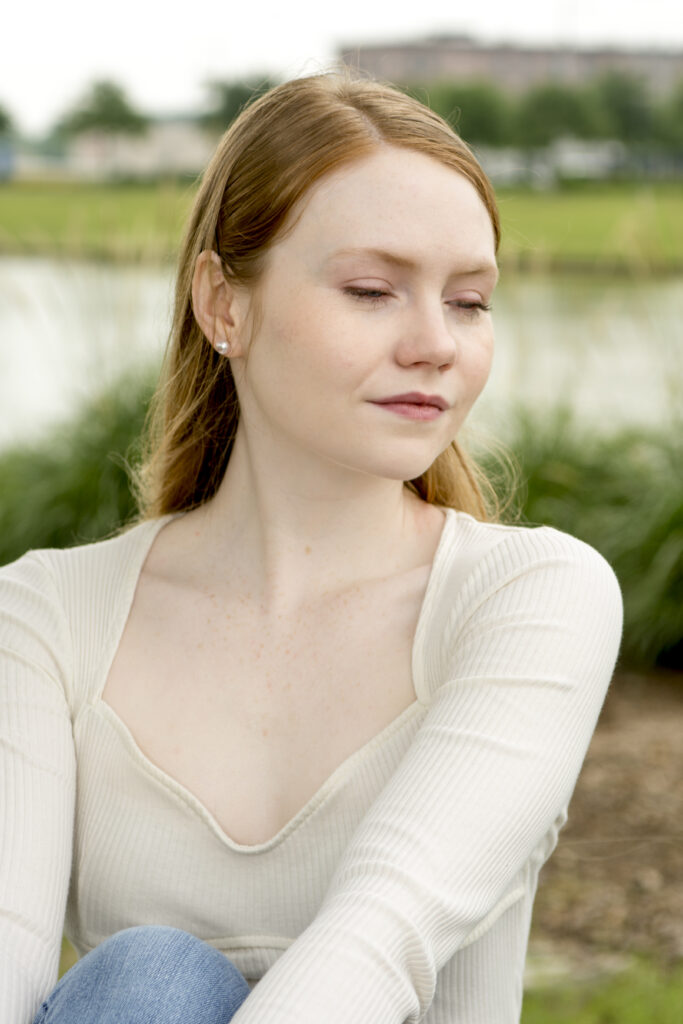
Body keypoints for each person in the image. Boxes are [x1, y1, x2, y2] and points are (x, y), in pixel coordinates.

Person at [0, 71, 623, 1024]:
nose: (434, 344)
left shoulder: (531, 597)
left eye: (468, 301)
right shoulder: (45, 619)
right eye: (373, 290)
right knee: (150, 980)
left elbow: (379, 945)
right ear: (223, 305)